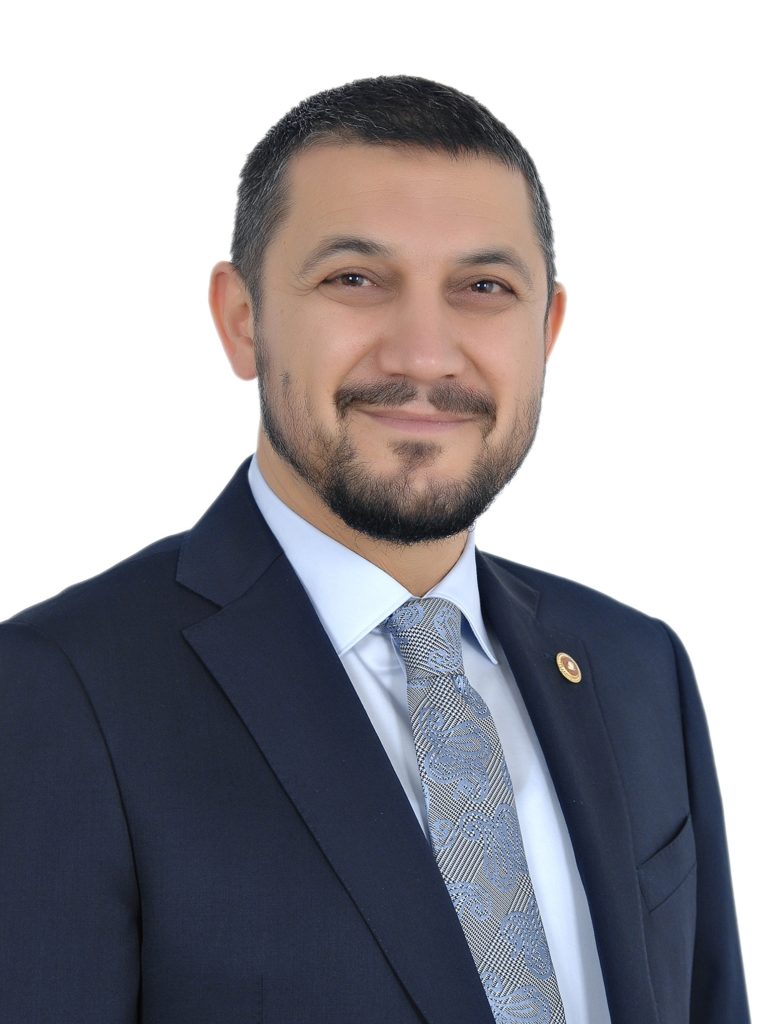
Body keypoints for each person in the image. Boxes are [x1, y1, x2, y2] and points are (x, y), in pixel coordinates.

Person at [0, 76, 749, 1024]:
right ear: (242, 318)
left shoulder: (637, 666)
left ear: (547, 330)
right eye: (354, 279)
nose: (424, 354)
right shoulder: (59, 691)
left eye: (484, 288)